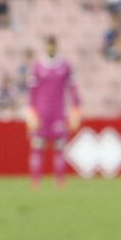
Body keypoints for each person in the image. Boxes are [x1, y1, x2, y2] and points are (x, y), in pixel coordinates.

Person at [24, 34, 81, 187]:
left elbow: (73, 87)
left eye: (53, 45)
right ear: (45, 46)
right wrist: (30, 110)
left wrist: (76, 107)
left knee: (59, 146)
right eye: (48, 45)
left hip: (58, 111)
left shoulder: (65, 66)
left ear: (56, 46)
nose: (51, 48)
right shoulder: (38, 66)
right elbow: (32, 90)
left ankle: (60, 180)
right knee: (37, 144)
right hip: (41, 112)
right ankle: (36, 180)